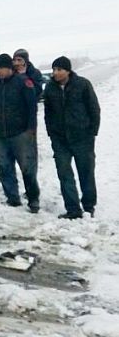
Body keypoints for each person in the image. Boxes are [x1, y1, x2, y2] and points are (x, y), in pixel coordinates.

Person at [43, 56, 100, 219]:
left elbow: (94, 109)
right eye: (54, 70)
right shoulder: (50, 88)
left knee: (86, 172)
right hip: (60, 140)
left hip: (82, 138)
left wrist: (92, 133)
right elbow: (48, 113)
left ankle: (89, 206)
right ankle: (73, 209)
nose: (55, 73)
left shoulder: (82, 84)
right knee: (64, 173)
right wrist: (51, 133)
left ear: (68, 70)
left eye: (59, 69)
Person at [0, 53, 40, 212]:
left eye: (1, 68)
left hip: (21, 134)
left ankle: (33, 200)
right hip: (0, 134)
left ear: (9, 68)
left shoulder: (23, 82)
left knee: (27, 168)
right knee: (3, 167)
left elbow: (32, 108)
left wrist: (31, 130)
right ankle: (12, 198)